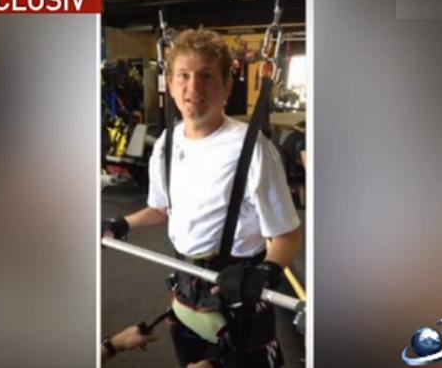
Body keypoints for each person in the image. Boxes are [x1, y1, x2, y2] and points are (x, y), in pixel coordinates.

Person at [103, 29, 302, 368]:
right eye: (183, 75)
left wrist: (266, 272)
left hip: (239, 299)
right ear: (170, 83)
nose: (192, 88)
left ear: (227, 86)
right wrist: (121, 223)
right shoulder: (167, 142)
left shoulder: (253, 150)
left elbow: (288, 236)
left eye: (206, 76)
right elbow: (160, 209)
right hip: (186, 295)